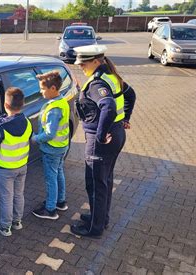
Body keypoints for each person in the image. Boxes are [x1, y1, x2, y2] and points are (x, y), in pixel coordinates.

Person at [71, 44, 135, 238]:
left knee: (95, 183)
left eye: (84, 63)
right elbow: (131, 95)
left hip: (102, 140)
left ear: (96, 61)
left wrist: (100, 135)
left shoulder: (98, 83)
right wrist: (125, 119)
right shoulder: (110, 76)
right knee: (104, 180)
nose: (80, 66)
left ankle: (94, 228)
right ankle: (100, 218)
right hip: (116, 135)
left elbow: (107, 107)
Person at [0, 87, 32, 236]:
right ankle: (17, 222)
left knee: (6, 197)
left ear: (5, 105)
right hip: (22, 165)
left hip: (5, 168)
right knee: (19, 194)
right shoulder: (27, 122)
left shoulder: (0, 126)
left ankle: (5, 226)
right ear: (23, 104)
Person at [31, 71, 71, 220]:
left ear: (53, 88)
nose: (41, 92)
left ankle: (50, 209)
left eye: (42, 89)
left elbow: (49, 134)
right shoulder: (61, 102)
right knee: (58, 173)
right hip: (61, 146)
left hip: (52, 148)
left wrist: (35, 139)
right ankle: (61, 202)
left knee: (50, 178)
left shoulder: (54, 109)